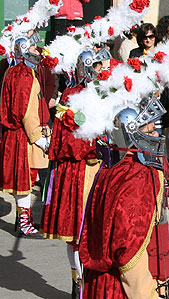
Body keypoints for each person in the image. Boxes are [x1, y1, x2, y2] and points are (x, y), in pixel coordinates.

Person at [79, 99, 169, 298]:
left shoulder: (111, 167)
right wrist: (149, 294)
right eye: (149, 131)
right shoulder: (137, 176)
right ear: (132, 135)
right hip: (122, 288)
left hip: (100, 282)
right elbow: (128, 247)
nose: (157, 135)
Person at [40, 48, 113, 297]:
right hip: (81, 170)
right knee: (79, 230)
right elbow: (73, 142)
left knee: (87, 231)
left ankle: (83, 280)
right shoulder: (75, 96)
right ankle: (79, 281)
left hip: (90, 168)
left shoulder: (93, 93)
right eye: (98, 67)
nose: (102, 71)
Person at [0, 31, 51, 237]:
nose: (36, 52)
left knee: (26, 179)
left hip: (20, 134)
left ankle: (25, 219)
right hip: (22, 136)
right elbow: (26, 110)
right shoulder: (22, 75)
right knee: (25, 180)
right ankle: (24, 222)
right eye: (31, 48)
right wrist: (38, 137)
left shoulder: (18, 72)